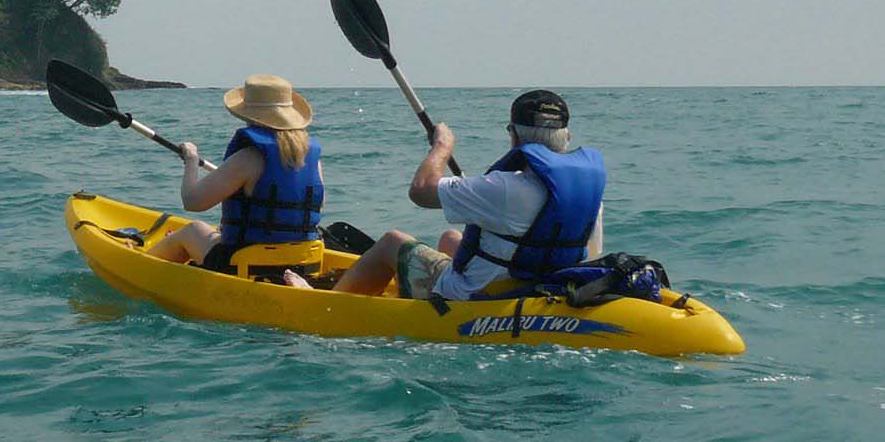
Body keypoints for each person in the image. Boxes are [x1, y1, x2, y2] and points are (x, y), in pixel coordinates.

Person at [293, 90, 604, 301]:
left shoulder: (505, 188)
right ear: (566, 136)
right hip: (542, 286)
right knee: (450, 239)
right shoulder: (587, 194)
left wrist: (442, 146)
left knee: (391, 242)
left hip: (483, 294)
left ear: (514, 135)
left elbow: (421, 191)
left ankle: (333, 302)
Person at [146, 74, 325, 270]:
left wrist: (191, 160)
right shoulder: (312, 159)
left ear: (249, 115)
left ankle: (139, 264)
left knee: (193, 230)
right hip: (302, 261)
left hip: (244, 263)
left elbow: (192, 202)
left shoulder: (249, 157)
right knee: (215, 234)